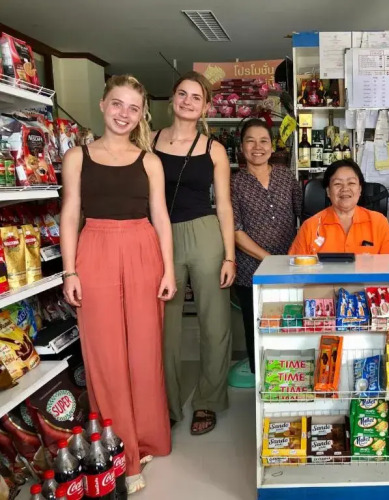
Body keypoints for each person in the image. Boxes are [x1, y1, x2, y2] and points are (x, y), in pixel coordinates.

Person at [60, 74, 176, 494]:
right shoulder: (77, 156)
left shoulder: (150, 161)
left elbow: (160, 216)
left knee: (145, 350)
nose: (124, 114)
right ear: (102, 104)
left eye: (133, 107)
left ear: (141, 114)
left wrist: (169, 269)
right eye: (117, 104)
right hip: (95, 249)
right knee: (105, 354)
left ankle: (147, 436)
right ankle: (119, 449)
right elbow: (70, 213)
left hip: (143, 248)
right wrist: (69, 271)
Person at [151, 71, 235, 435]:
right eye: (182, 94)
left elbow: (225, 206)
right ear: (172, 98)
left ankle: (208, 400)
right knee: (164, 324)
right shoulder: (148, 140)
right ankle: (166, 403)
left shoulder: (213, 149)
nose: (188, 101)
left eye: (196, 97)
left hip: (204, 233)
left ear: (206, 107)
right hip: (159, 235)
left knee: (214, 322)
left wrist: (229, 256)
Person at [232, 119, 302, 374]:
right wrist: (270, 260)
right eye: (250, 141)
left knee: (291, 324)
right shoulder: (234, 183)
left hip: (290, 267)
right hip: (250, 272)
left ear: (272, 147)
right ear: (242, 147)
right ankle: (261, 383)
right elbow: (235, 231)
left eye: (263, 141)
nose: (257, 147)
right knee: (258, 329)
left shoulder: (286, 177)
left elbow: (304, 217)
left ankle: (292, 377)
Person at [289, 159, 389, 255]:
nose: (345, 189)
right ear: (328, 191)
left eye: (351, 183)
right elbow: (294, 268)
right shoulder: (310, 227)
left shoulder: (379, 223)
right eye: (337, 184)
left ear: (360, 189)